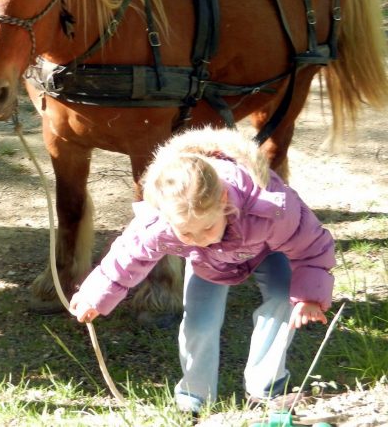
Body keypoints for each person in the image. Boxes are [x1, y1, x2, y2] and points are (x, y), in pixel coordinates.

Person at [69, 127, 335, 415]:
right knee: (199, 324)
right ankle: (194, 397)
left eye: (207, 227)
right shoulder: (160, 221)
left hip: (266, 251)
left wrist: (309, 296)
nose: (199, 237)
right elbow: (127, 256)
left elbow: (312, 246)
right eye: (186, 233)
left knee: (282, 301)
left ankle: (267, 388)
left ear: (223, 200)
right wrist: (95, 295)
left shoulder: (270, 206)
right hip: (208, 264)